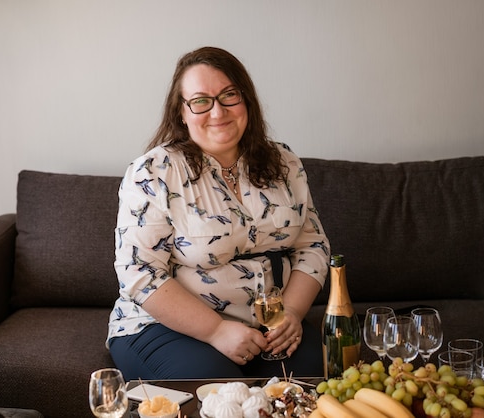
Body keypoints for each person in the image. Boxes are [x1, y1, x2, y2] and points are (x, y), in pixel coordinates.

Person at [108, 46, 330, 380]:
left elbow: (312, 245)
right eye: (200, 101)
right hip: (164, 328)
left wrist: (293, 313)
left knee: (319, 382)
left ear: (247, 101)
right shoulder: (153, 173)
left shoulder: (285, 163)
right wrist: (216, 331)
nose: (218, 111)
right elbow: (138, 272)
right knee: (218, 391)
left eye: (229, 95)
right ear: (181, 112)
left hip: (267, 326)